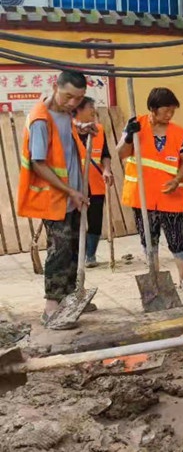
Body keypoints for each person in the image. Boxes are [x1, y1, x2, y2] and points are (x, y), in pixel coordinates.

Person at [16, 70, 90, 329]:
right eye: (69, 96)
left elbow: (66, 143)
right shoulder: (40, 119)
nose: (73, 103)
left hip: (73, 195)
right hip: (54, 198)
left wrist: (81, 128)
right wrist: (70, 191)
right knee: (59, 252)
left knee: (73, 248)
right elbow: (39, 164)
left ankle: (71, 296)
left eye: (78, 99)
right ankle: (51, 307)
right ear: (55, 86)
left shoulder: (66, 114)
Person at [117, 88, 183, 293]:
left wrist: (177, 179)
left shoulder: (178, 132)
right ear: (152, 109)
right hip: (143, 197)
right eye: (166, 111)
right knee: (149, 240)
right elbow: (121, 153)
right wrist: (128, 137)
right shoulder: (135, 126)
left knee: (178, 239)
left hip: (172, 195)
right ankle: (155, 276)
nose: (169, 115)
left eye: (172, 111)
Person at [73, 97, 114, 268]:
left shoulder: (98, 130)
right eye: (90, 107)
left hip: (96, 182)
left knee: (95, 220)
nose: (93, 110)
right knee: (74, 220)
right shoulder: (68, 130)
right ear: (79, 110)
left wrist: (106, 169)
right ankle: (75, 256)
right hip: (74, 185)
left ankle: (90, 255)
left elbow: (105, 154)